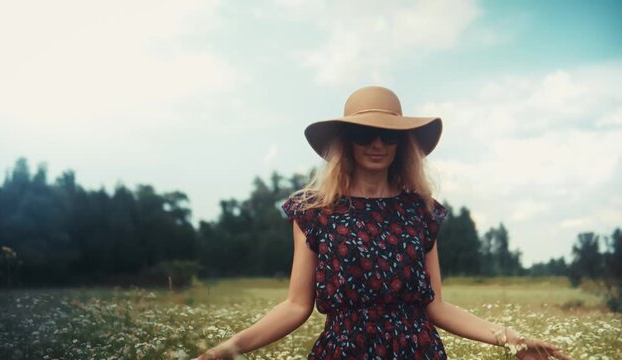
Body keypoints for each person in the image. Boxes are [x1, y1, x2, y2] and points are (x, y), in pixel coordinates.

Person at [195, 86, 570, 359]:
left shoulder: (421, 212)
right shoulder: (315, 213)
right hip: (343, 352)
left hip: (417, 351)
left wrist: (512, 338)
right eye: (364, 133)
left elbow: (436, 306)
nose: (377, 143)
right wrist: (226, 350)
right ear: (346, 141)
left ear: (402, 141)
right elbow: (295, 306)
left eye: (388, 134)